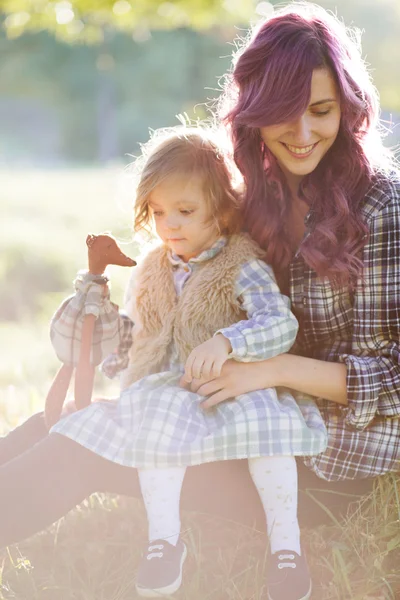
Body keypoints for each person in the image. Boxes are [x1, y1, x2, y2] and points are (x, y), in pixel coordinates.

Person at [0, 1, 398, 598]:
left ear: (347, 109)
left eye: (322, 111)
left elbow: (393, 378)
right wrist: (116, 326)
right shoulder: (245, 190)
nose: (305, 132)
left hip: (320, 458)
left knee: (79, 452)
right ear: (255, 112)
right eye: (285, 113)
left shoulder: (380, 208)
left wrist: (264, 370)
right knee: (57, 422)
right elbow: (183, 303)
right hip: (230, 412)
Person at [49, 127, 326, 600]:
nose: (169, 225)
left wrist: (227, 341)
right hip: (171, 390)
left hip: (234, 384)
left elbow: (280, 323)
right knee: (155, 426)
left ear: (220, 210)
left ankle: (287, 548)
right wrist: (104, 323)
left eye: (184, 211)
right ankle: (164, 542)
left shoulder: (242, 263)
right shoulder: (151, 270)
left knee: (270, 431)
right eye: (158, 212)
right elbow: (130, 347)